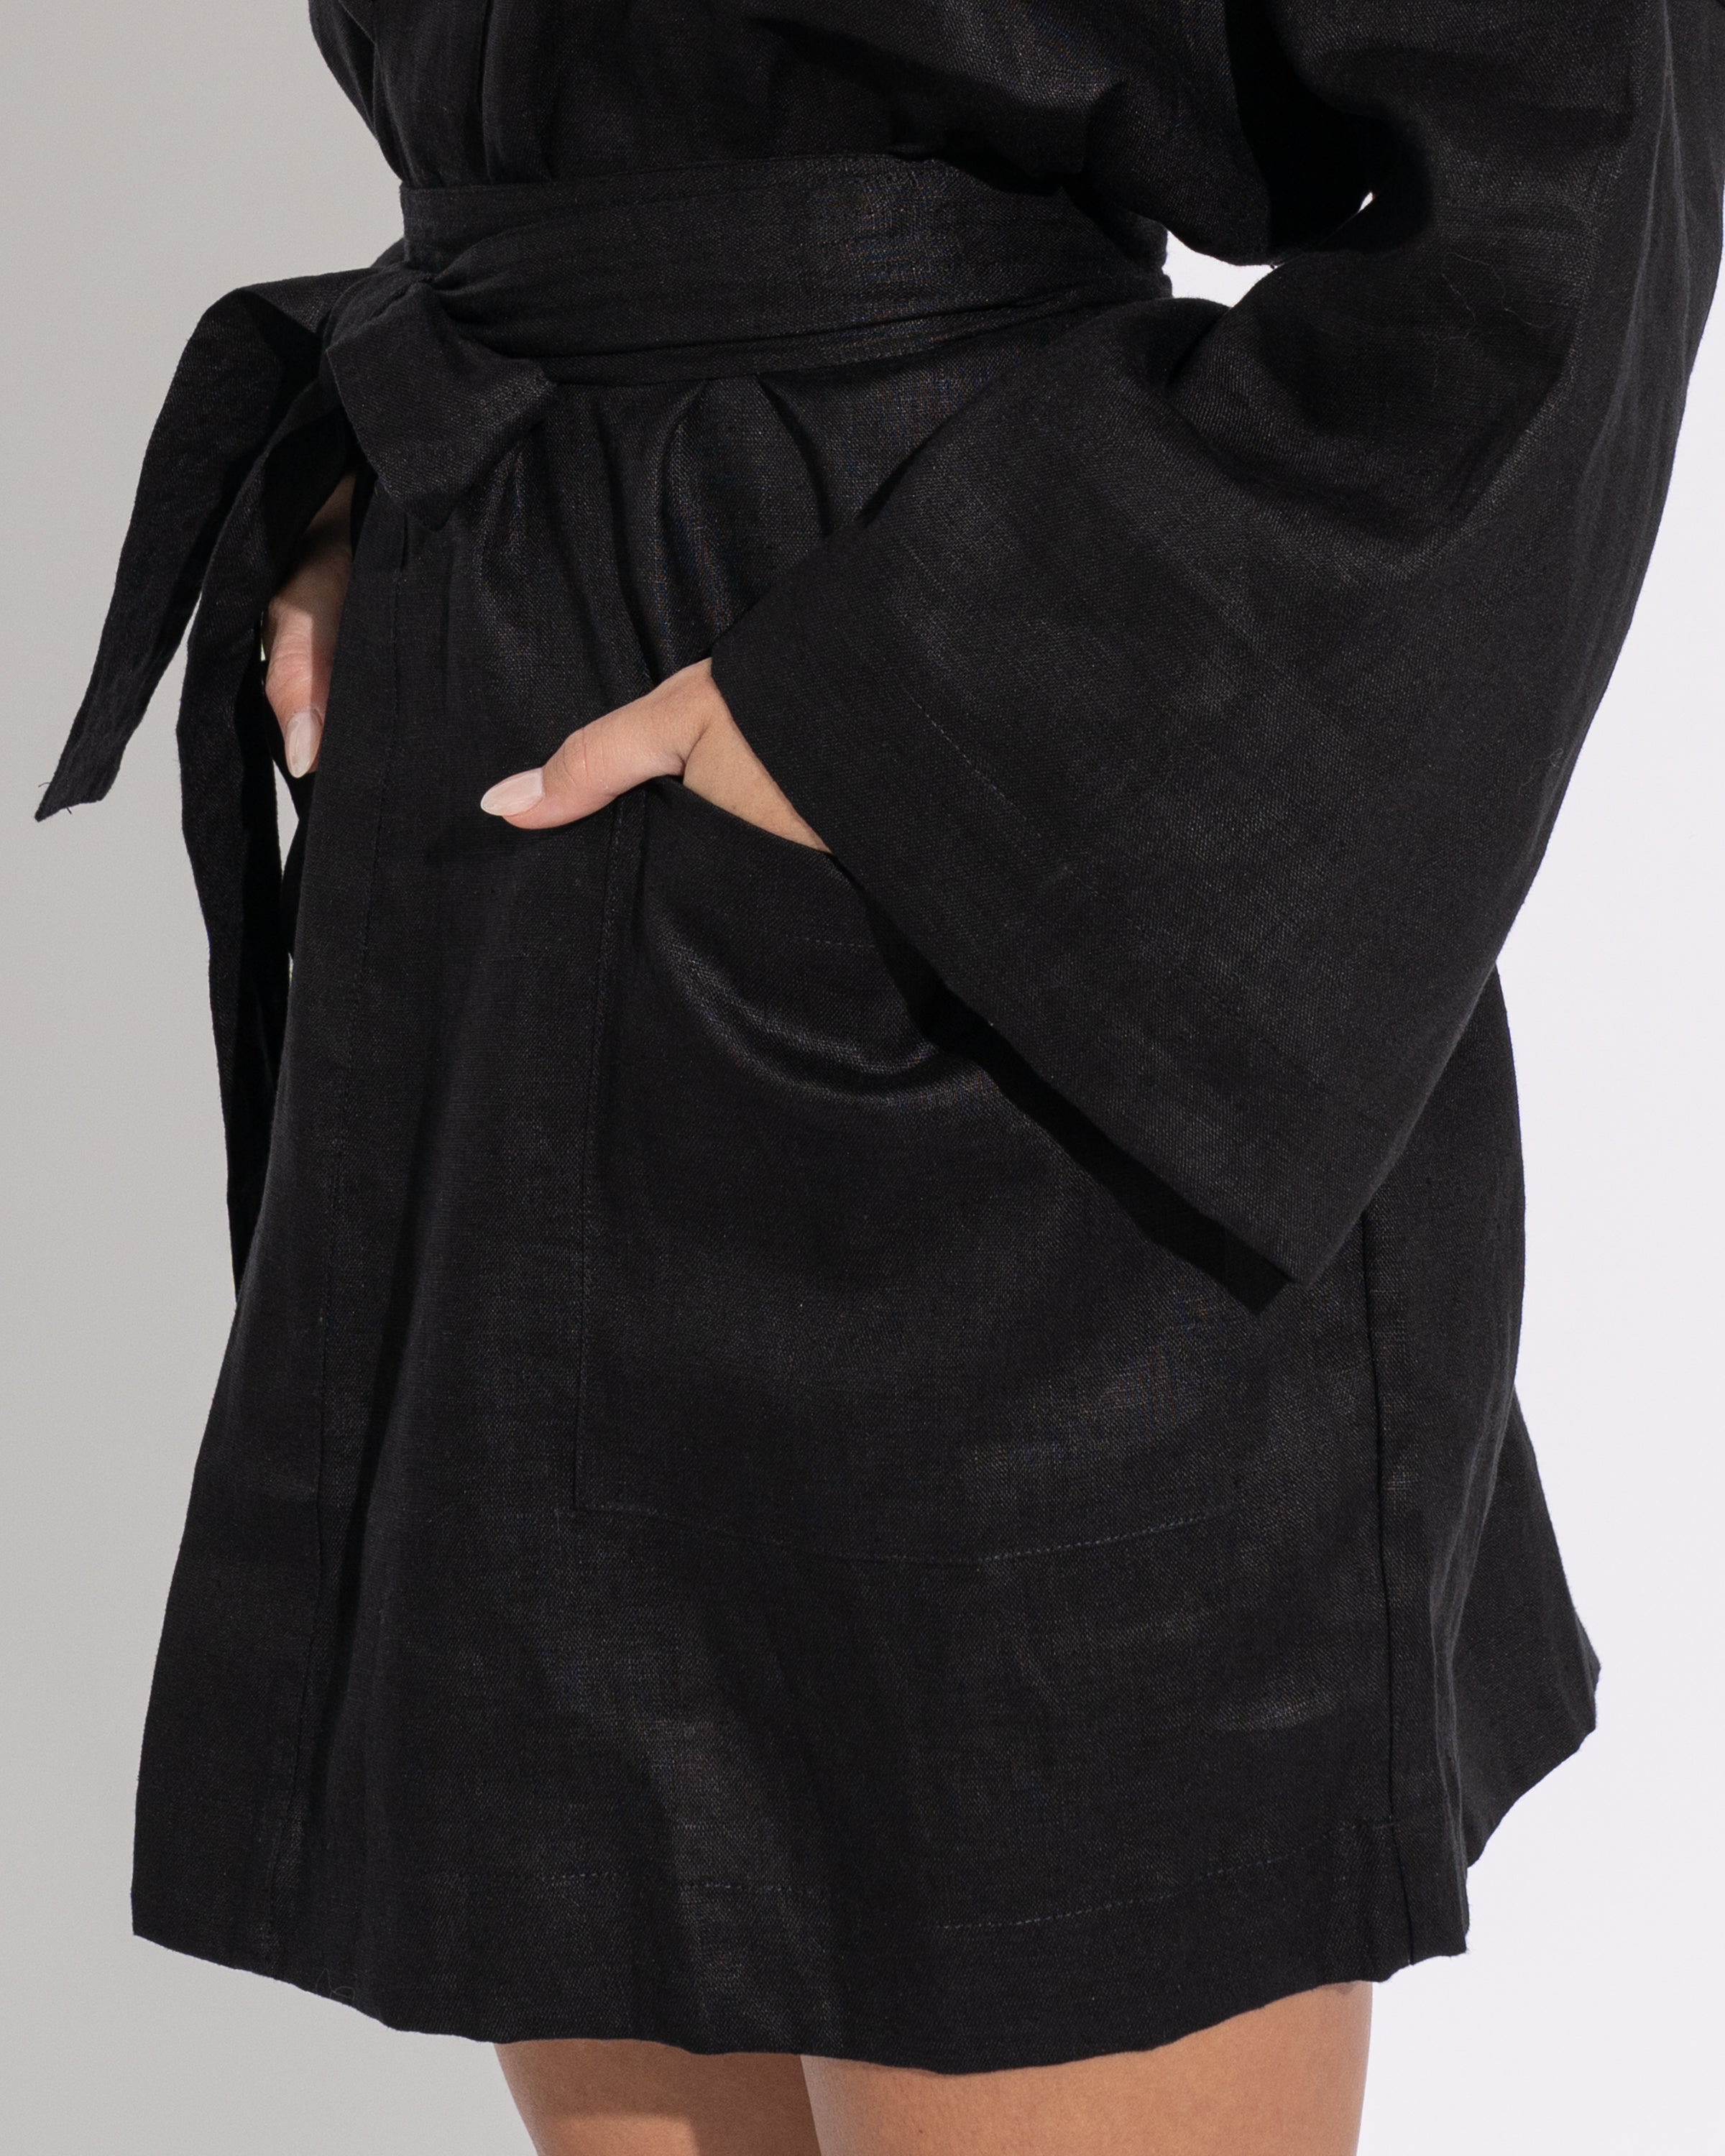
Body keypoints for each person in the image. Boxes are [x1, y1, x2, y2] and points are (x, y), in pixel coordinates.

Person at [38, 4, 1725, 2151]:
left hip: (1015, 851)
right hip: (510, 803)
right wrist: (434, 439)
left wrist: (911, 705)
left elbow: (1573, 160)